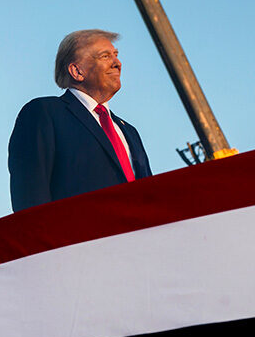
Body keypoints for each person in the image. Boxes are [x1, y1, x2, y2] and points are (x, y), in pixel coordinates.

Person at [8, 29, 152, 212]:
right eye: (105, 56)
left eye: (116, 55)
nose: (117, 63)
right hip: (79, 239)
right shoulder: (44, 113)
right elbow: (31, 200)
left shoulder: (129, 131)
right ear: (76, 71)